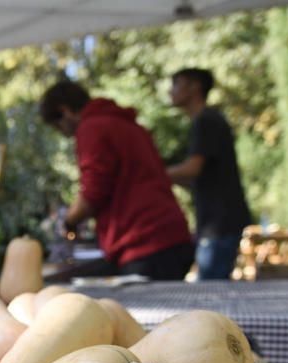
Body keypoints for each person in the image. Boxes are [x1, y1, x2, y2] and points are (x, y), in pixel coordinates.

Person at [40, 80, 194, 280]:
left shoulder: (91, 127)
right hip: (172, 235)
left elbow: (94, 191)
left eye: (58, 127)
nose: (65, 134)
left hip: (143, 243)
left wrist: (69, 221)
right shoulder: (128, 125)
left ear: (65, 111)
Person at [167, 68, 252, 280]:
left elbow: (192, 168)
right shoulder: (208, 119)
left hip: (219, 222)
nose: (171, 91)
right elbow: (200, 176)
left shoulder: (206, 120)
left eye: (176, 84)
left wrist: (153, 174)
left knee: (210, 293)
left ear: (194, 86)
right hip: (218, 221)